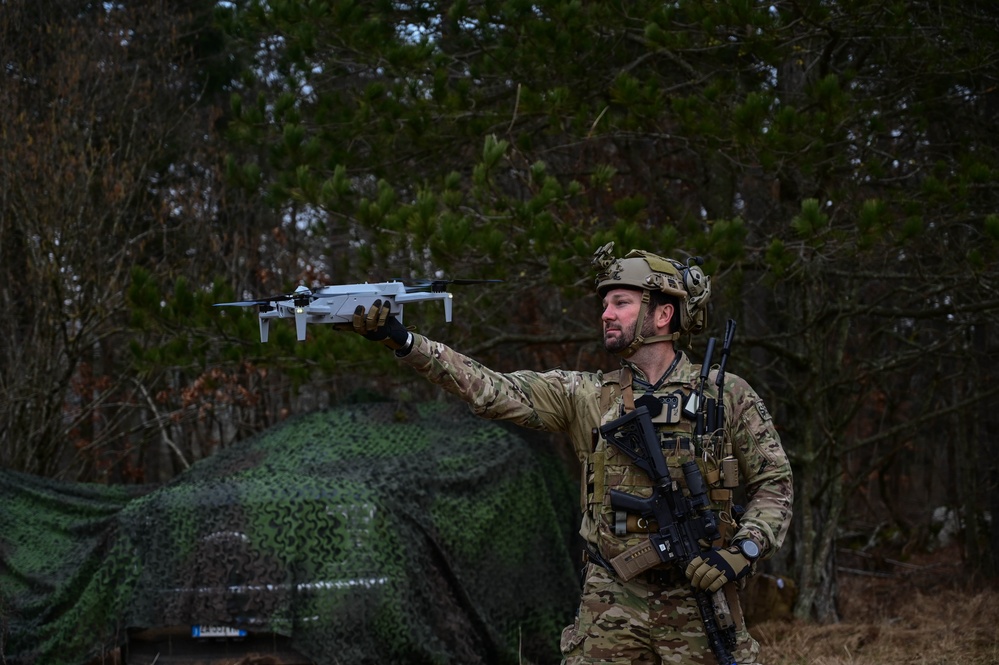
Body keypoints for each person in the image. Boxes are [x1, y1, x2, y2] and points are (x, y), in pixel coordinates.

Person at [349, 242, 793, 665]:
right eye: (604, 305)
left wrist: (742, 550)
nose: (606, 314)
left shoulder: (726, 395)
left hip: (700, 597)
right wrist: (405, 342)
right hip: (611, 603)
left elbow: (775, 484)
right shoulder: (585, 395)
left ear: (663, 314)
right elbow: (490, 389)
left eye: (621, 302)